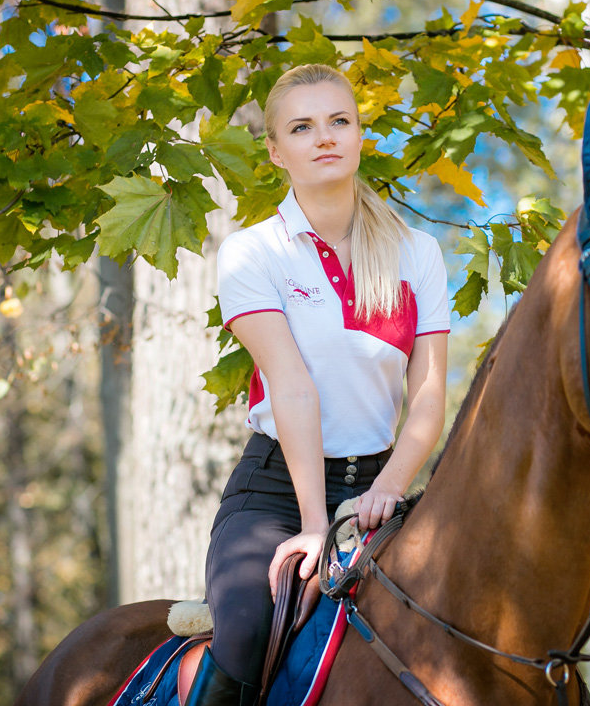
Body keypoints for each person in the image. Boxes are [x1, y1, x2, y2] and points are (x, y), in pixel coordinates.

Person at [185, 64, 450, 706]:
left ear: (361, 135)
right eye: (302, 127)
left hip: (382, 491)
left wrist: (387, 488)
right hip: (277, 491)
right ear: (277, 151)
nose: (324, 137)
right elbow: (293, 388)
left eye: (339, 121)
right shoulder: (253, 252)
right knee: (247, 630)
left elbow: (430, 396)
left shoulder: (419, 252)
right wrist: (312, 525)